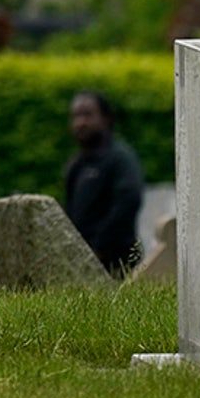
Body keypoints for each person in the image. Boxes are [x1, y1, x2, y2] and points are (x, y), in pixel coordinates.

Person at [63, 90, 144, 275]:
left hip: (117, 263)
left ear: (106, 118)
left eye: (87, 115)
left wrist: (100, 246)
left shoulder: (120, 159)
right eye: (76, 116)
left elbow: (128, 201)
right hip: (82, 263)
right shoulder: (76, 165)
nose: (80, 123)